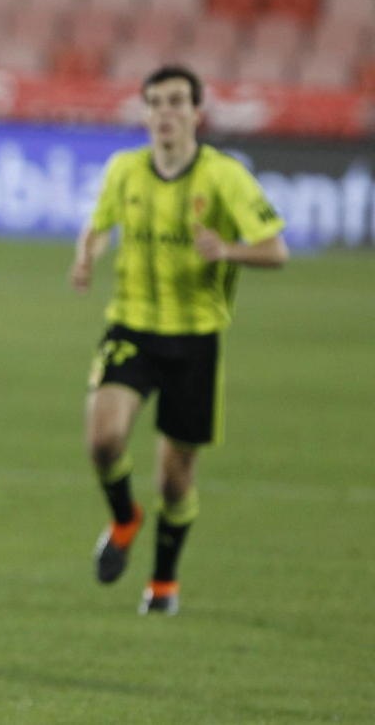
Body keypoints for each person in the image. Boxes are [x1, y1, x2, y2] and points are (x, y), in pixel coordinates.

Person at [71, 65, 288, 615]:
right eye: (156, 103)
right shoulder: (126, 170)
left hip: (195, 339)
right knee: (102, 441)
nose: (165, 113)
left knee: (174, 481)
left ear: (196, 114)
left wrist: (227, 250)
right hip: (133, 326)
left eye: (176, 103)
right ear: (145, 114)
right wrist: (86, 255)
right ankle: (124, 519)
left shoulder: (223, 177)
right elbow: (99, 224)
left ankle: (163, 583)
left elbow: (275, 249)